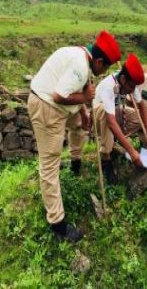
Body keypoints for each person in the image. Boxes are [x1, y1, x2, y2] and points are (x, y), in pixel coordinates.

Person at [28, 30, 121, 242]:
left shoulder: (81, 56)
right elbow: (59, 95)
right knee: (50, 164)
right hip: (47, 107)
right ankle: (58, 225)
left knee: (80, 125)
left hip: (56, 106)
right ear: (98, 61)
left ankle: (75, 165)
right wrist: (85, 98)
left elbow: (72, 89)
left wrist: (84, 112)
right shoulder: (81, 66)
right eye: (105, 67)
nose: (104, 71)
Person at [93, 53, 147, 184]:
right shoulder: (108, 86)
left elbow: (141, 106)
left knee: (137, 115)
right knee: (107, 116)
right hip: (97, 118)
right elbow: (111, 121)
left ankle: (133, 143)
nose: (132, 90)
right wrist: (131, 151)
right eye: (131, 87)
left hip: (116, 113)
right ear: (122, 79)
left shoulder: (129, 82)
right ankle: (106, 158)